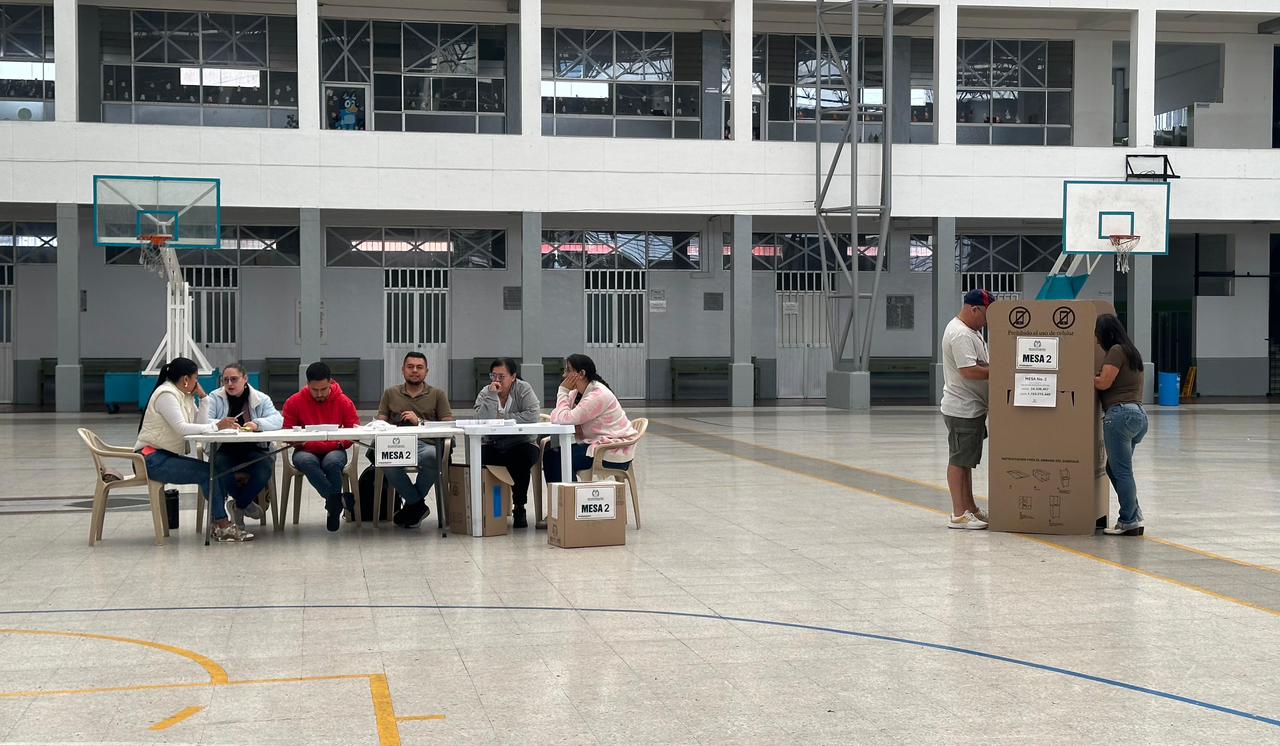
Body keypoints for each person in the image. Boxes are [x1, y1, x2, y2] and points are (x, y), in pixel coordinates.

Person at [134, 357, 248, 542]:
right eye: (196, 378)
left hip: (164, 456)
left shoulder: (184, 395)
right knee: (207, 473)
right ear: (186, 379)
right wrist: (217, 426)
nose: (197, 383)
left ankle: (218, 523)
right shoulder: (166, 394)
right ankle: (221, 524)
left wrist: (204, 399)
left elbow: (199, 424)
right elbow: (182, 427)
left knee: (213, 470)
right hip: (150, 459)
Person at [199, 363, 282, 526]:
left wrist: (257, 424)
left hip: (254, 448)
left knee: (266, 465)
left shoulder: (261, 398)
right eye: (226, 380)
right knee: (219, 466)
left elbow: (278, 419)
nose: (230, 384)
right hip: (224, 449)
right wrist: (221, 424)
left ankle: (239, 504)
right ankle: (245, 503)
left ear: (245, 379)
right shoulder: (214, 397)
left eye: (234, 379)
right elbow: (203, 421)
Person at [377, 352, 453, 529]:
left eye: (419, 367)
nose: (415, 371)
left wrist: (419, 422)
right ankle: (417, 504)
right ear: (403, 370)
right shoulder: (390, 393)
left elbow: (448, 425)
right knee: (384, 459)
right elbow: (381, 421)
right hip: (397, 443)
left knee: (434, 456)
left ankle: (412, 505)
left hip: (427, 443)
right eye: (410, 367)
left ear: (426, 371)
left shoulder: (437, 394)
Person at [282, 361, 360, 532]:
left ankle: (333, 505)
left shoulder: (343, 401)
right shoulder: (294, 402)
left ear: (330, 382)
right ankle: (337, 501)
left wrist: (340, 442)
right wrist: (298, 441)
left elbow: (354, 430)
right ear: (307, 385)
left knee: (333, 463)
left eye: (323, 389)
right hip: (305, 450)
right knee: (306, 461)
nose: (319, 394)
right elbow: (286, 431)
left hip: (334, 448)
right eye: (314, 390)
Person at [941, 289, 994, 530]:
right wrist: (1000, 370)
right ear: (974, 309)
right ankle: (958, 513)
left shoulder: (971, 331)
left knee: (967, 462)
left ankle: (970, 507)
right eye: (986, 316)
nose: (987, 322)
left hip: (971, 407)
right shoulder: (960, 333)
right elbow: (969, 371)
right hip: (962, 407)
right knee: (958, 460)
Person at [544, 354, 638, 484]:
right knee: (551, 453)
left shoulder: (598, 395)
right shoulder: (576, 393)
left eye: (568, 370)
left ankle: (569, 500)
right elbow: (558, 416)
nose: (564, 376)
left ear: (581, 373)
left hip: (612, 450)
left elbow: (563, 417)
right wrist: (563, 404)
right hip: (597, 444)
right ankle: (563, 500)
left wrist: (562, 391)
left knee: (557, 457)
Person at [1094, 314, 1149, 536]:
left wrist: (1081, 378)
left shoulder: (1116, 351)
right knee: (1113, 468)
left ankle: (1128, 520)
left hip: (1119, 415)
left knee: (1122, 470)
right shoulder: (1131, 351)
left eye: (1097, 332)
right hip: (1138, 415)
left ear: (1106, 332)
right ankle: (1134, 514)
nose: (1096, 338)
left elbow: (1104, 382)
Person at [474, 358, 542, 528]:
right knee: (477, 456)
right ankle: (487, 508)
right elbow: (482, 420)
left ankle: (519, 506)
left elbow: (532, 415)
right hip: (494, 444)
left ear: (513, 377)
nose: (496, 380)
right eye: (493, 376)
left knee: (521, 458)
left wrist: (501, 419)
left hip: (521, 443)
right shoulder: (485, 392)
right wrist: (491, 397)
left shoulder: (523, 389)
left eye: (501, 376)